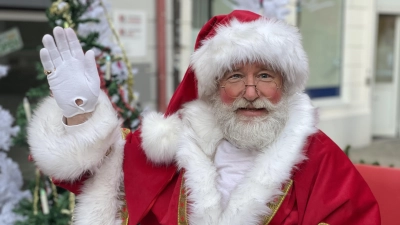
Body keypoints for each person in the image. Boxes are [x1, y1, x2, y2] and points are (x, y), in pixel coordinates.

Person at [28, 10, 380, 225]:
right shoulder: (174, 146)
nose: (252, 92)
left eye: (265, 76)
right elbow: (96, 173)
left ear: (285, 86)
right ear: (213, 89)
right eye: (235, 77)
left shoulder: (318, 158)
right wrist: (80, 112)